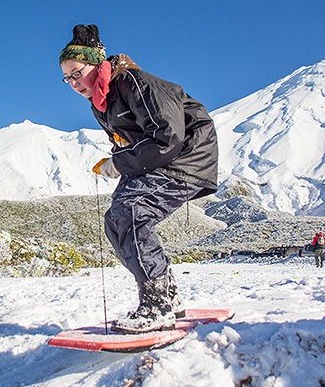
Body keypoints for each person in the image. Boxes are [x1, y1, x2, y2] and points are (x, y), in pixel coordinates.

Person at [59, 25, 218, 333]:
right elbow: (127, 140)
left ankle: (156, 305)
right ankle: (168, 296)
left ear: (96, 63)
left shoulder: (133, 82)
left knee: (130, 211)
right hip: (155, 162)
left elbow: (167, 136)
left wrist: (119, 164)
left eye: (77, 72)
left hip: (185, 158)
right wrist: (115, 158)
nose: (72, 83)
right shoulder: (101, 103)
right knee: (115, 221)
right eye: (67, 78)